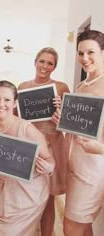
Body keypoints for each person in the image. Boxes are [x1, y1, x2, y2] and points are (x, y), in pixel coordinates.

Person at [0, 80, 55, 236]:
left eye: (7, 100)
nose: (1, 104)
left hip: (25, 196)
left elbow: (49, 160)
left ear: (14, 104)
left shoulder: (27, 129)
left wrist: (49, 167)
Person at [18, 47, 70, 236]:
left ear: (54, 67)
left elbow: (70, 121)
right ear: (35, 62)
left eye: (50, 63)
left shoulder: (62, 87)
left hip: (53, 145)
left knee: (48, 198)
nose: (45, 66)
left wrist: (61, 109)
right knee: (27, 194)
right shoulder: (22, 87)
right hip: (28, 144)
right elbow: (15, 117)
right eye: (42, 61)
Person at [59, 30, 104, 236]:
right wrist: (61, 117)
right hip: (74, 165)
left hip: (92, 170)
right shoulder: (80, 85)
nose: (84, 59)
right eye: (80, 53)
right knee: (83, 226)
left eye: (91, 52)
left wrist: (100, 148)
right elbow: (77, 125)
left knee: (71, 228)